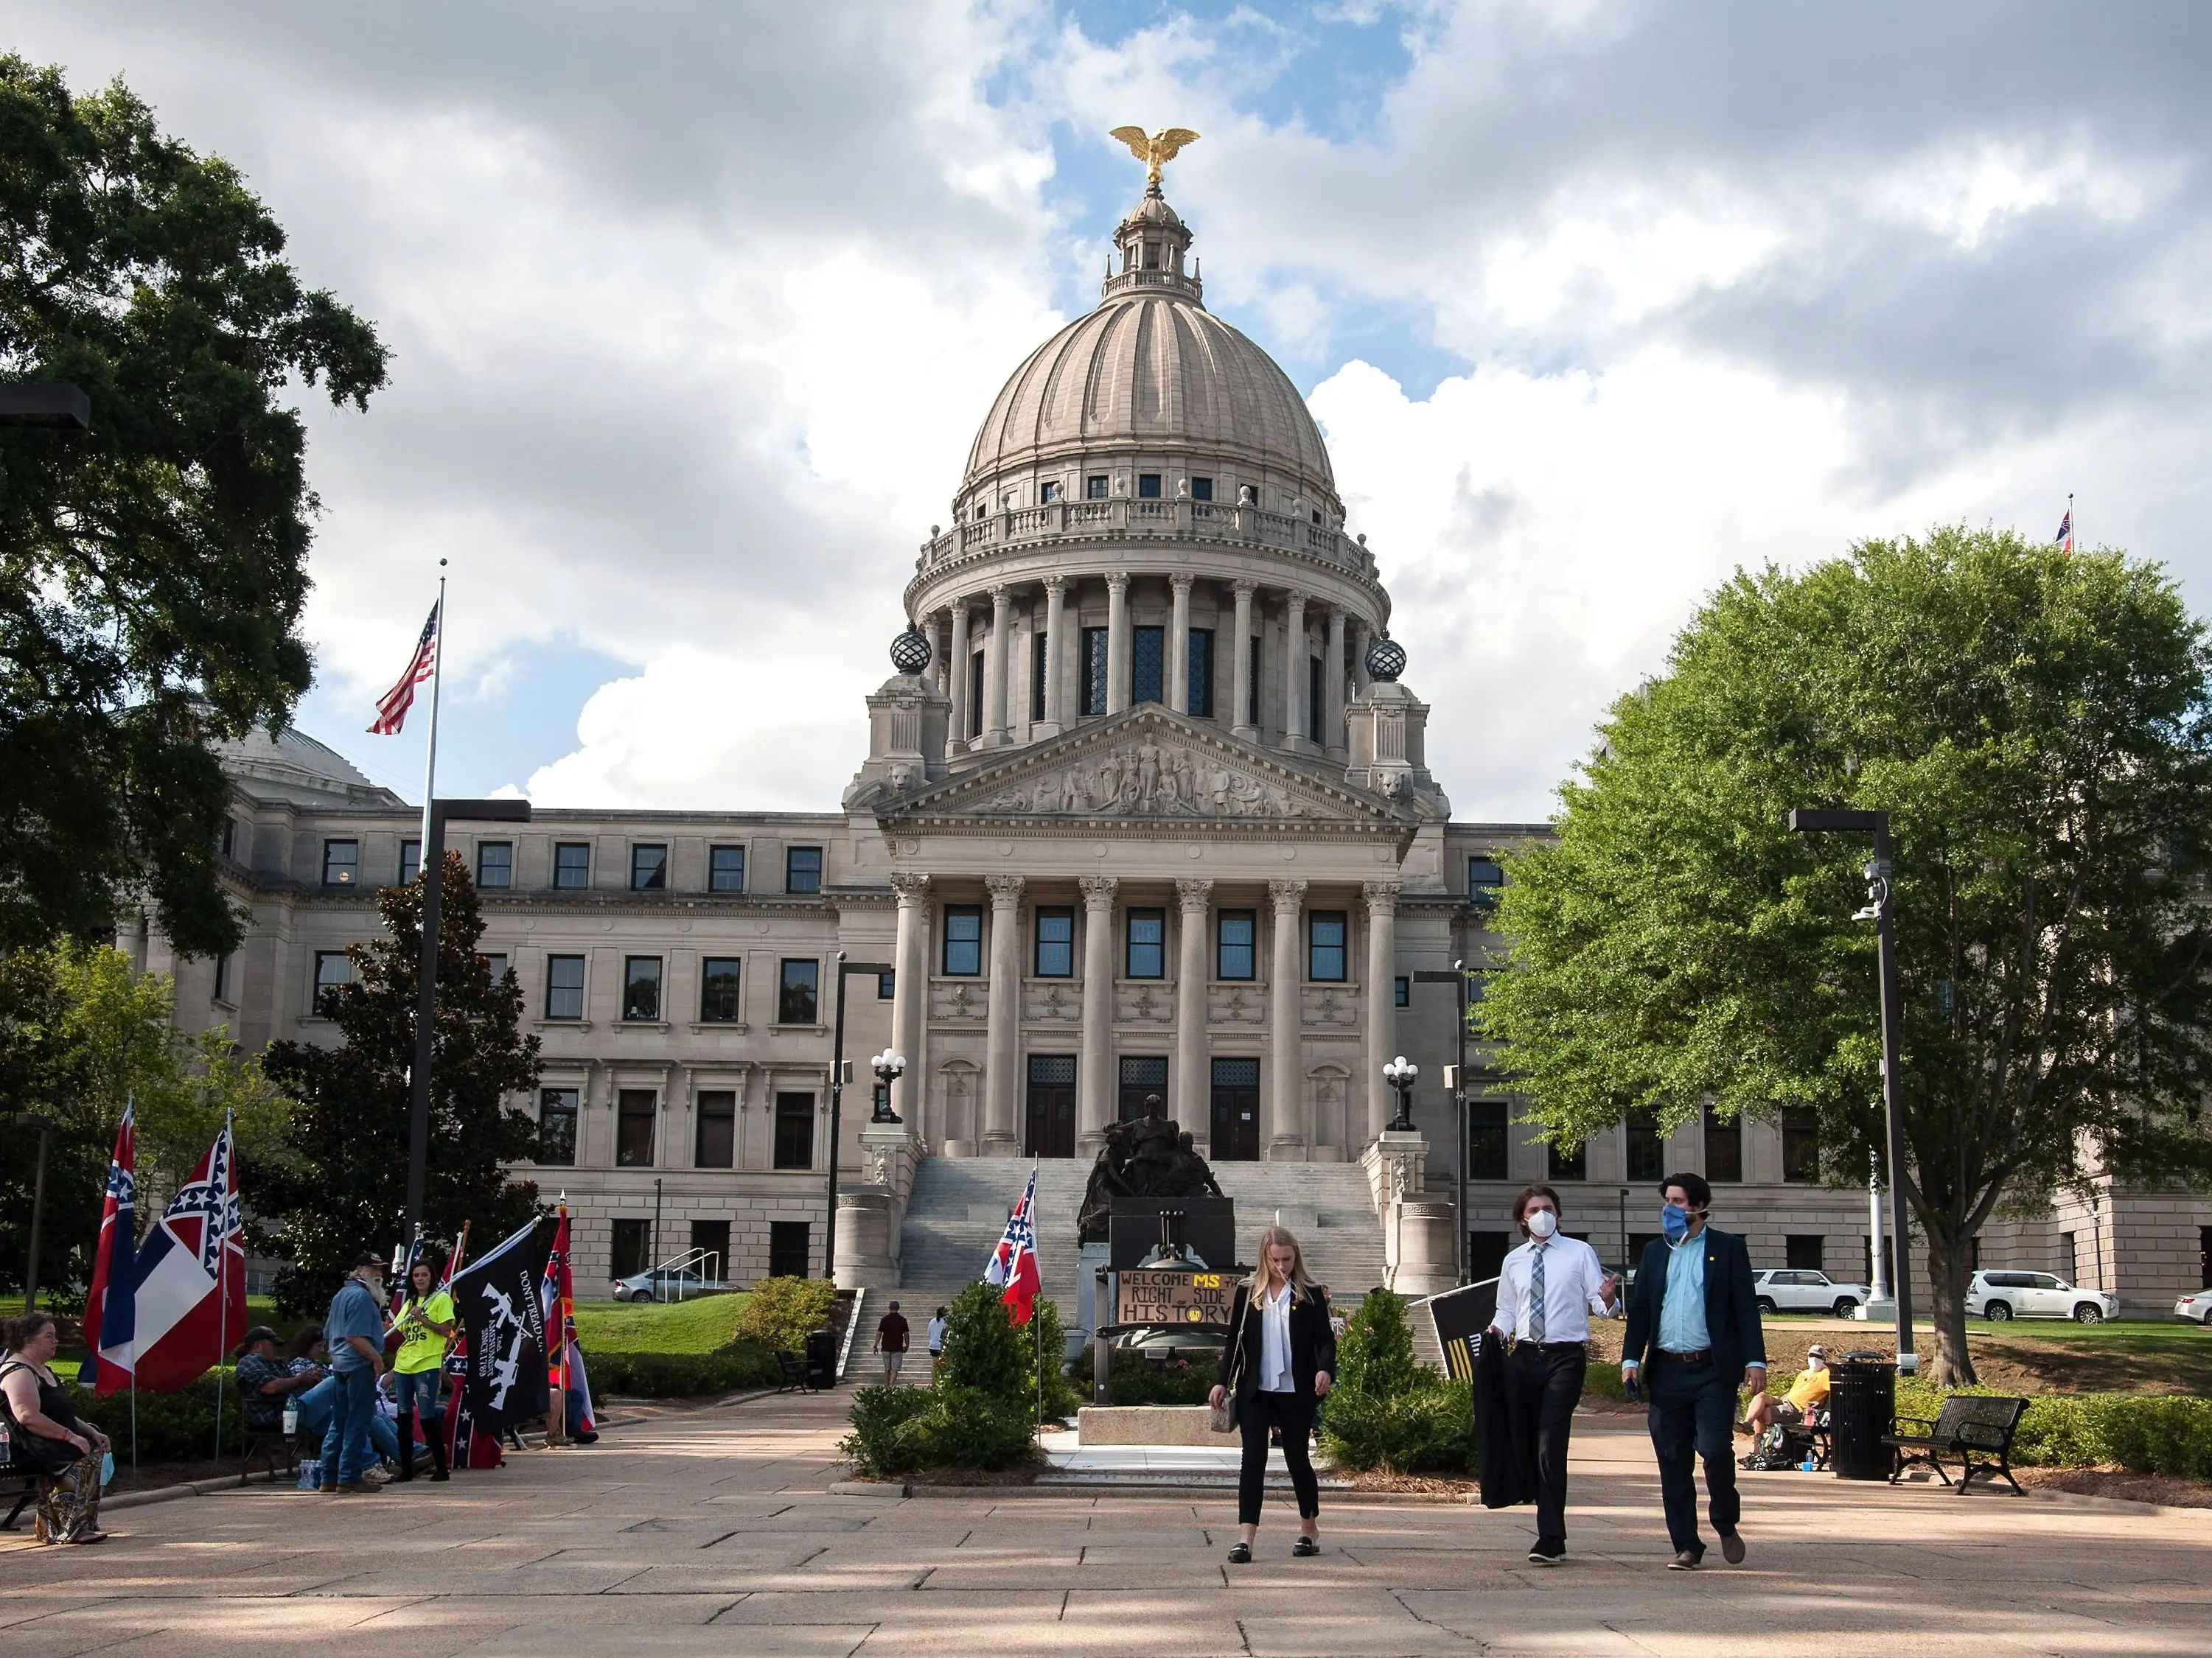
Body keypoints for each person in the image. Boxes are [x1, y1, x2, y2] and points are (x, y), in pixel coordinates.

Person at [1622, 1173, 1767, 1570]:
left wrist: (1756, 1360)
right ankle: (1686, 1544)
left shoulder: (1728, 1249)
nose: (1670, 1208)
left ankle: (1725, 1521)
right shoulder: (1654, 1252)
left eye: (1678, 1201)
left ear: (1699, 1206)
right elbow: (1642, 1311)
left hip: (1711, 1371)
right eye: (1667, 1200)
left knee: (1716, 1449)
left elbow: (1744, 1307)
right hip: (1667, 1371)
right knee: (1672, 1459)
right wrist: (1630, 1360)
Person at [1486, 1185, 1622, 1564]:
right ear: (1522, 1219)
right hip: (1526, 1356)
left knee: (1551, 1442)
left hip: (1566, 1358)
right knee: (1527, 1440)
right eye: (1534, 1209)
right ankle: (1530, 1494)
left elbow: (1600, 1304)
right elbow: (1507, 1310)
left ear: (1558, 1214)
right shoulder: (1514, 1260)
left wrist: (1609, 1299)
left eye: (1548, 1208)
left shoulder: (1580, 1253)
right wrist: (1496, 1331)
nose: (1542, 1214)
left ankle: (1551, 1536)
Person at [1208, 1225, 1335, 1564]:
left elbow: (1324, 1340)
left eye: (1288, 1259)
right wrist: (1222, 1381)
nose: (1283, 1266)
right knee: (1252, 1462)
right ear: (1265, 1258)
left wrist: (1325, 1370)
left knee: (1297, 1459)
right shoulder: (1248, 1292)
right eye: (1276, 1259)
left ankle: (1309, 1530)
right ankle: (1245, 1540)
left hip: (1296, 1391)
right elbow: (1234, 1340)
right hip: (1256, 1391)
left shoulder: (1309, 1293)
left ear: (1297, 1257)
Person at [0, 1312, 110, 1544]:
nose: (56, 1341)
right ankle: (61, 1526)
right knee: (80, 1452)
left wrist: (90, 1431)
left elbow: (63, 1414)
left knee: (94, 1446)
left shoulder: (42, 1369)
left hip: (50, 1440)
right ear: (29, 1340)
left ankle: (80, 1522)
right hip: (28, 1445)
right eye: (49, 1336)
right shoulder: (19, 1371)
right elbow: (27, 1416)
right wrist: (69, 1437)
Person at [321, 1251, 389, 1494]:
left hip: (339, 1365)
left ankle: (328, 1477)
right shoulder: (361, 1297)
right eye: (374, 1269)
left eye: (380, 1269)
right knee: (358, 1421)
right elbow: (355, 1337)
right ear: (359, 1270)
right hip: (358, 1365)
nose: (379, 1274)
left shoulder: (341, 1295)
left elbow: (328, 1334)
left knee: (338, 1422)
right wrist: (376, 1358)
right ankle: (348, 1476)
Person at [388, 1256, 455, 1482]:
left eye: (424, 1275)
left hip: (427, 1363)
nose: (419, 1279)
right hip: (404, 1364)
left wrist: (423, 1319)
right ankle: (407, 1468)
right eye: (416, 1275)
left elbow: (447, 1331)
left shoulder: (441, 1300)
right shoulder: (410, 1303)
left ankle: (441, 1468)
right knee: (404, 1416)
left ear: (431, 1277)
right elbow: (397, 1328)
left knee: (426, 1416)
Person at [234, 1326, 321, 1437]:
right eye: (272, 1344)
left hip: (291, 1409)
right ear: (258, 1345)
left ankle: (329, 1453)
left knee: (335, 1414)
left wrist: (311, 1381)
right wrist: (299, 1380)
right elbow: (269, 1388)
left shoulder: (276, 1363)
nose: (275, 1348)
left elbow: (293, 1385)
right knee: (332, 1383)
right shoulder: (249, 1362)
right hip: (275, 1417)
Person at [1745, 1344, 1829, 1437]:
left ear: (1824, 1359)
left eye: (1818, 1356)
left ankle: (1756, 1447)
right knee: (1761, 1396)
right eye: (1811, 1355)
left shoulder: (1826, 1374)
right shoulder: (1804, 1373)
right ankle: (1747, 1424)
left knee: (1761, 1412)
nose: (1814, 1358)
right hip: (1786, 1401)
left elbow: (1835, 1389)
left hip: (1797, 1409)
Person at [873, 1300, 910, 1385]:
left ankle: (887, 1384)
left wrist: (875, 1345)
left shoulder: (885, 1320)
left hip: (886, 1347)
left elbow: (879, 1333)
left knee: (887, 1369)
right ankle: (891, 1386)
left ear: (890, 1308)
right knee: (895, 1369)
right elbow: (906, 1334)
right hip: (897, 1348)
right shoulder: (903, 1320)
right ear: (898, 1308)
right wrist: (907, 1345)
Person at [927, 1307, 949, 1378]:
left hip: (932, 1346)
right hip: (940, 1346)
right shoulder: (945, 1323)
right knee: (943, 1364)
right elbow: (945, 1335)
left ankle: (934, 1382)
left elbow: (929, 1332)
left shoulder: (932, 1321)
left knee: (935, 1365)